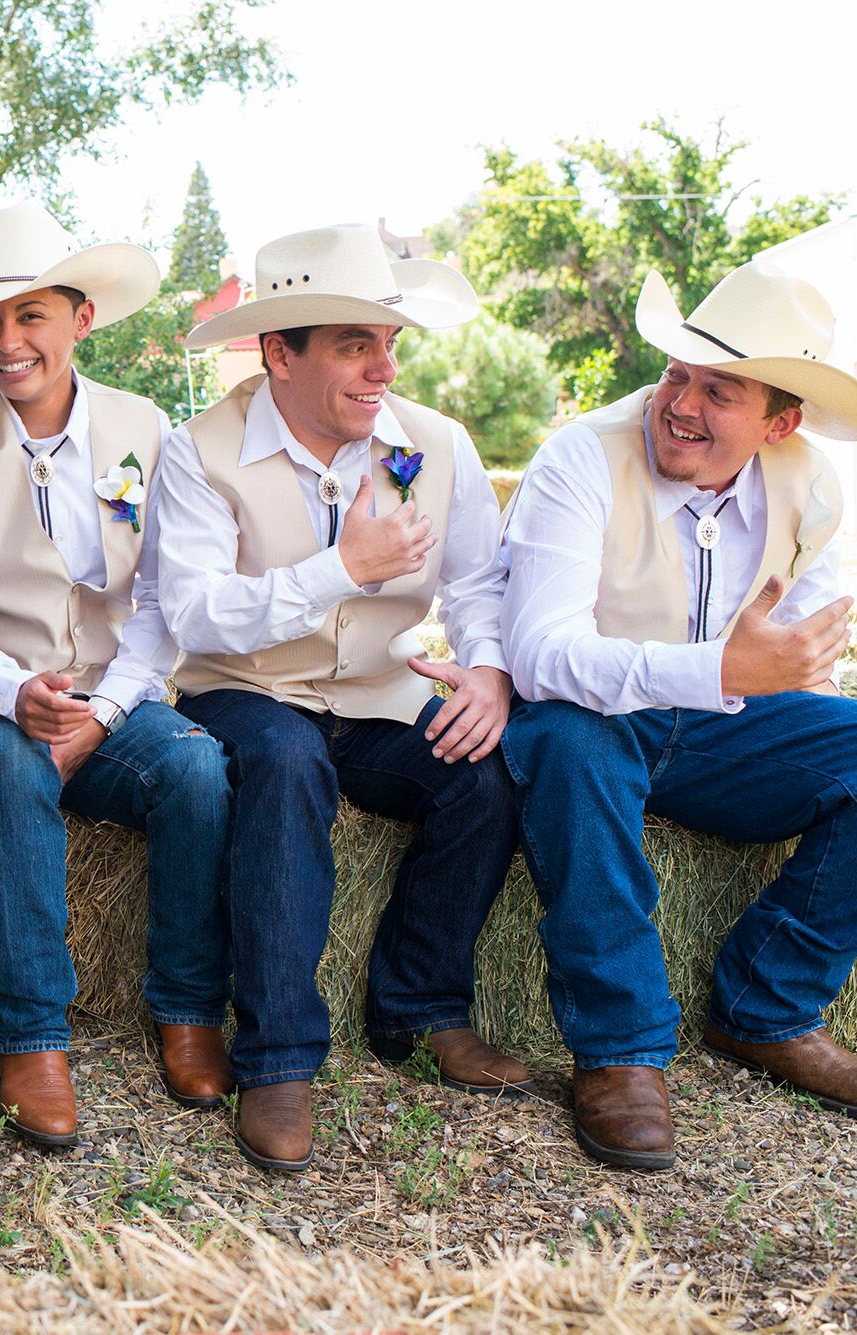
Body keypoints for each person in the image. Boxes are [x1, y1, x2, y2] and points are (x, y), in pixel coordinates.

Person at [156, 223, 530, 1173]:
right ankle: (279, 1058)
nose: (383, 368)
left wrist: (486, 671)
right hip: (243, 688)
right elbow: (196, 615)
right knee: (285, 765)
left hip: (377, 688)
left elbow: (481, 583)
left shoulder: (434, 445)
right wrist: (338, 569)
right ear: (278, 353)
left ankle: (421, 1007)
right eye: (355, 345)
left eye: (391, 342)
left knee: (479, 775)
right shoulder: (199, 452)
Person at [499, 260, 857, 1171]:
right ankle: (622, 1048)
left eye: (720, 390)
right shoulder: (581, 456)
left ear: (778, 422)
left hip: (723, 732)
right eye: (677, 373)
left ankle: (767, 1006)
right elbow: (538, 654)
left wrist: (791, 713)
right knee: (566, 740)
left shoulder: (809, 483)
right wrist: (714, 667)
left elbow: (799, 659)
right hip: (596, 714)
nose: (680, 403)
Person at [0, 201, 232, 1146]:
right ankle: (32, 1036)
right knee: (4, 770)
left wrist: (111, 704)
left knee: (197, 768)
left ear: (81, 318)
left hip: (116, 686)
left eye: (30, 314)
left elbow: (166, 595)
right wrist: (16, 695)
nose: (7, 342)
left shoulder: (147, 428)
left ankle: (186, 1006)